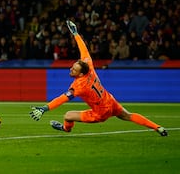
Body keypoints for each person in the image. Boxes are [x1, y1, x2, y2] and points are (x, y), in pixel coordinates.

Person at [29, 20, 168, 137]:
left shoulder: (79, 86)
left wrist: (44, 108)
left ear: (81, 74)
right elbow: (83, 49)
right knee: (128, 116)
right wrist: (75, 34)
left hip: (100, 112)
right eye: (73, 67)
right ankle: (158, 128)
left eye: (74, 70)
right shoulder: (88, 65)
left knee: (67, 115)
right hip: (110, 101)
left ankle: (65, 129)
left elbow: (62, 99)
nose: (71, 69)